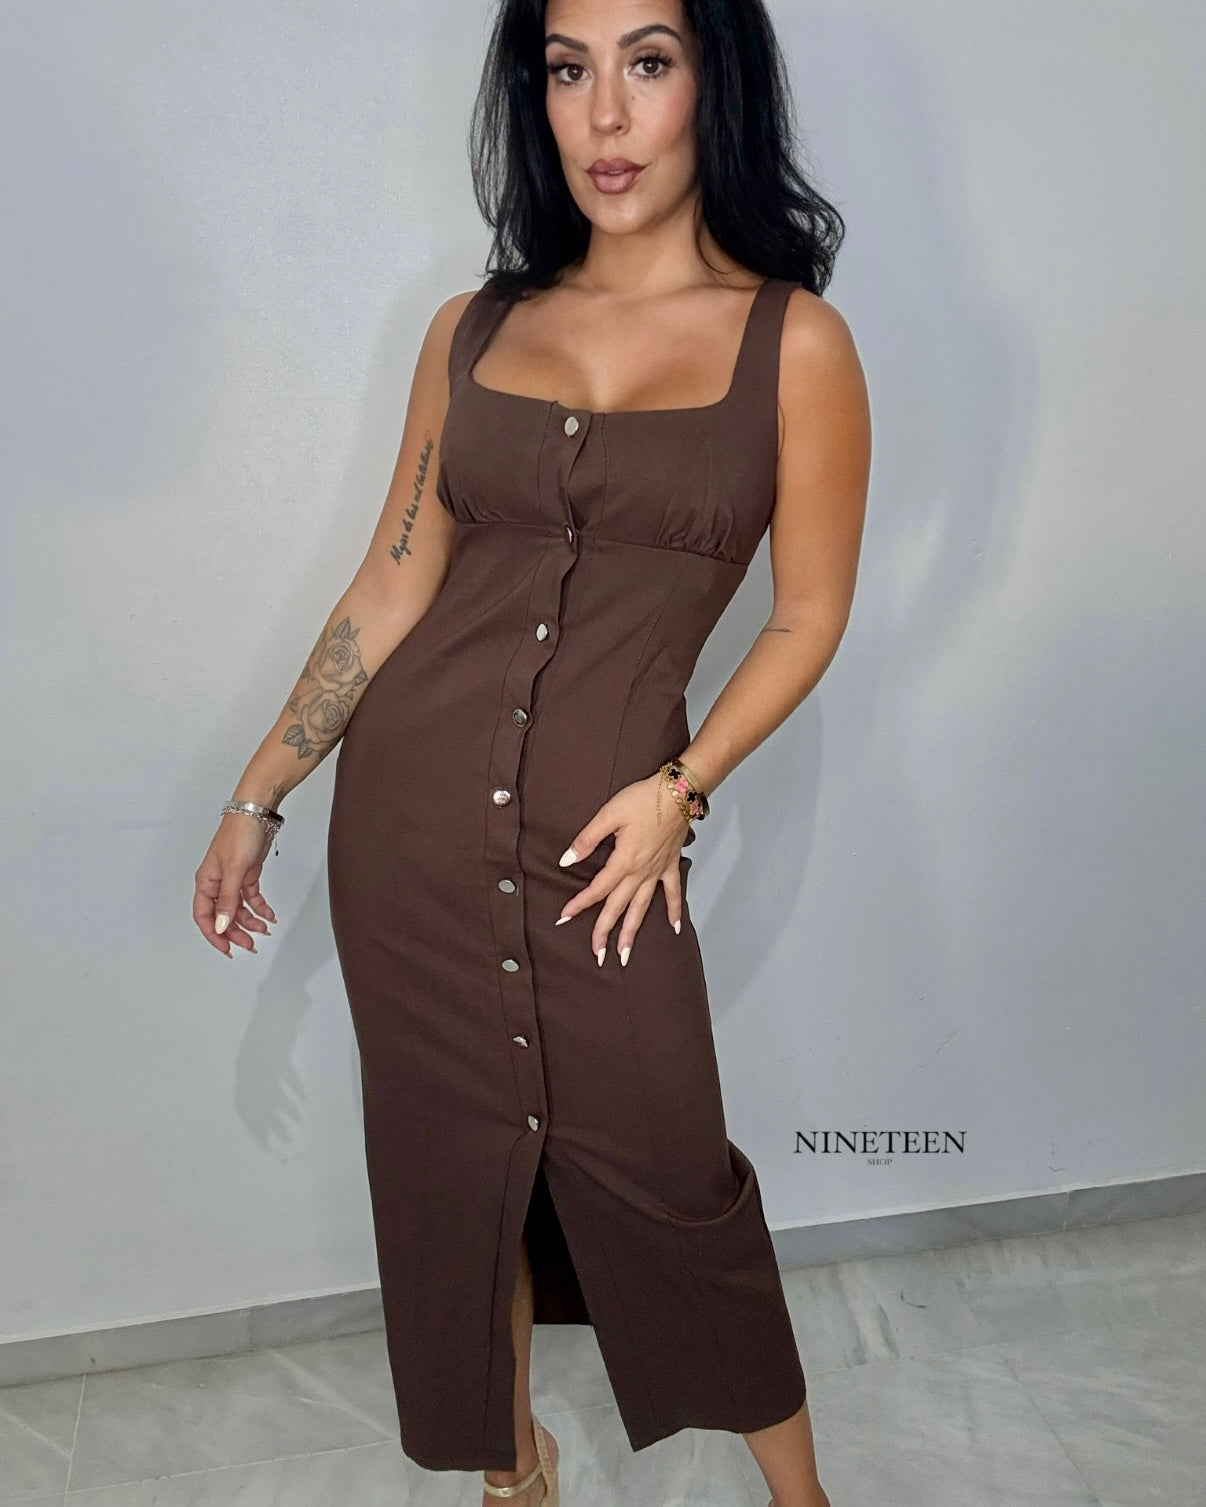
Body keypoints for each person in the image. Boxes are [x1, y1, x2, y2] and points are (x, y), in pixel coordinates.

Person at [193, 1, 869, 1503]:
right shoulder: (472, 330)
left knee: (669, 1171)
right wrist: (260, 793)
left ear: (713, 84)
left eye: (648, 62)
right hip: (410, 838)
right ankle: (512, 1475)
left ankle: (800, 1498)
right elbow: (389, 587)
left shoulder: (794, 343)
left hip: (605, 853)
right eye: (569, 70)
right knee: (450, 1178)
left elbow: (808, 614)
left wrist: (680, 789)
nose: (604, 115)